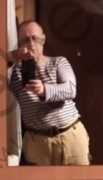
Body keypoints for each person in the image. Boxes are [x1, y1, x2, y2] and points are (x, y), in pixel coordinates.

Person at [7, 20, 91, 165]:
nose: (31, 44)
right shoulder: (14, 73)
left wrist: (44, 90)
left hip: (70, 136)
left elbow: (71, 89)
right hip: (37, 141)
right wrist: (12, 56)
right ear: (19, 44)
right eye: (25, 40)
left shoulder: (58, 62)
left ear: (43, 39)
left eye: (35, 38)